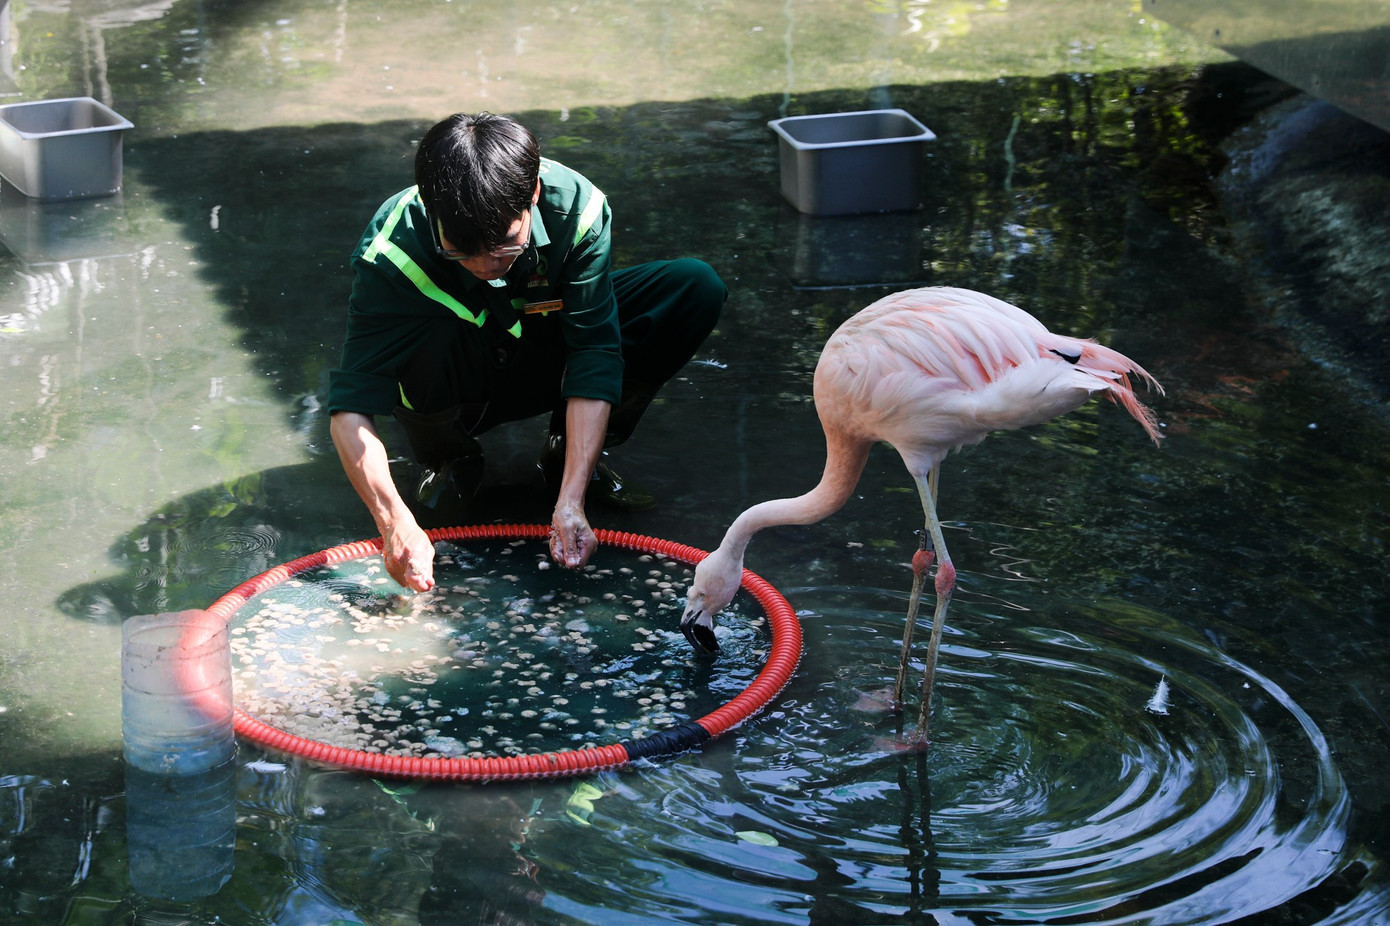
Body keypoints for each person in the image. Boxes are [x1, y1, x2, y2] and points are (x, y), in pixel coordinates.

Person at [327, 112, 725, 592]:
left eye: (505, 248)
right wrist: (393, 522)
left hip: (542, 352)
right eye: (461, 252)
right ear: (432, 212)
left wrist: (571, 500)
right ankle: (451, 459)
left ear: (533, 194)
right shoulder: (392, 249)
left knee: (691, 287)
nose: (484, 267)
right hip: (458, 377)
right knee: (419, 338)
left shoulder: (577, 210)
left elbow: (595, 348)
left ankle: (569, 457)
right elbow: (352, 406)